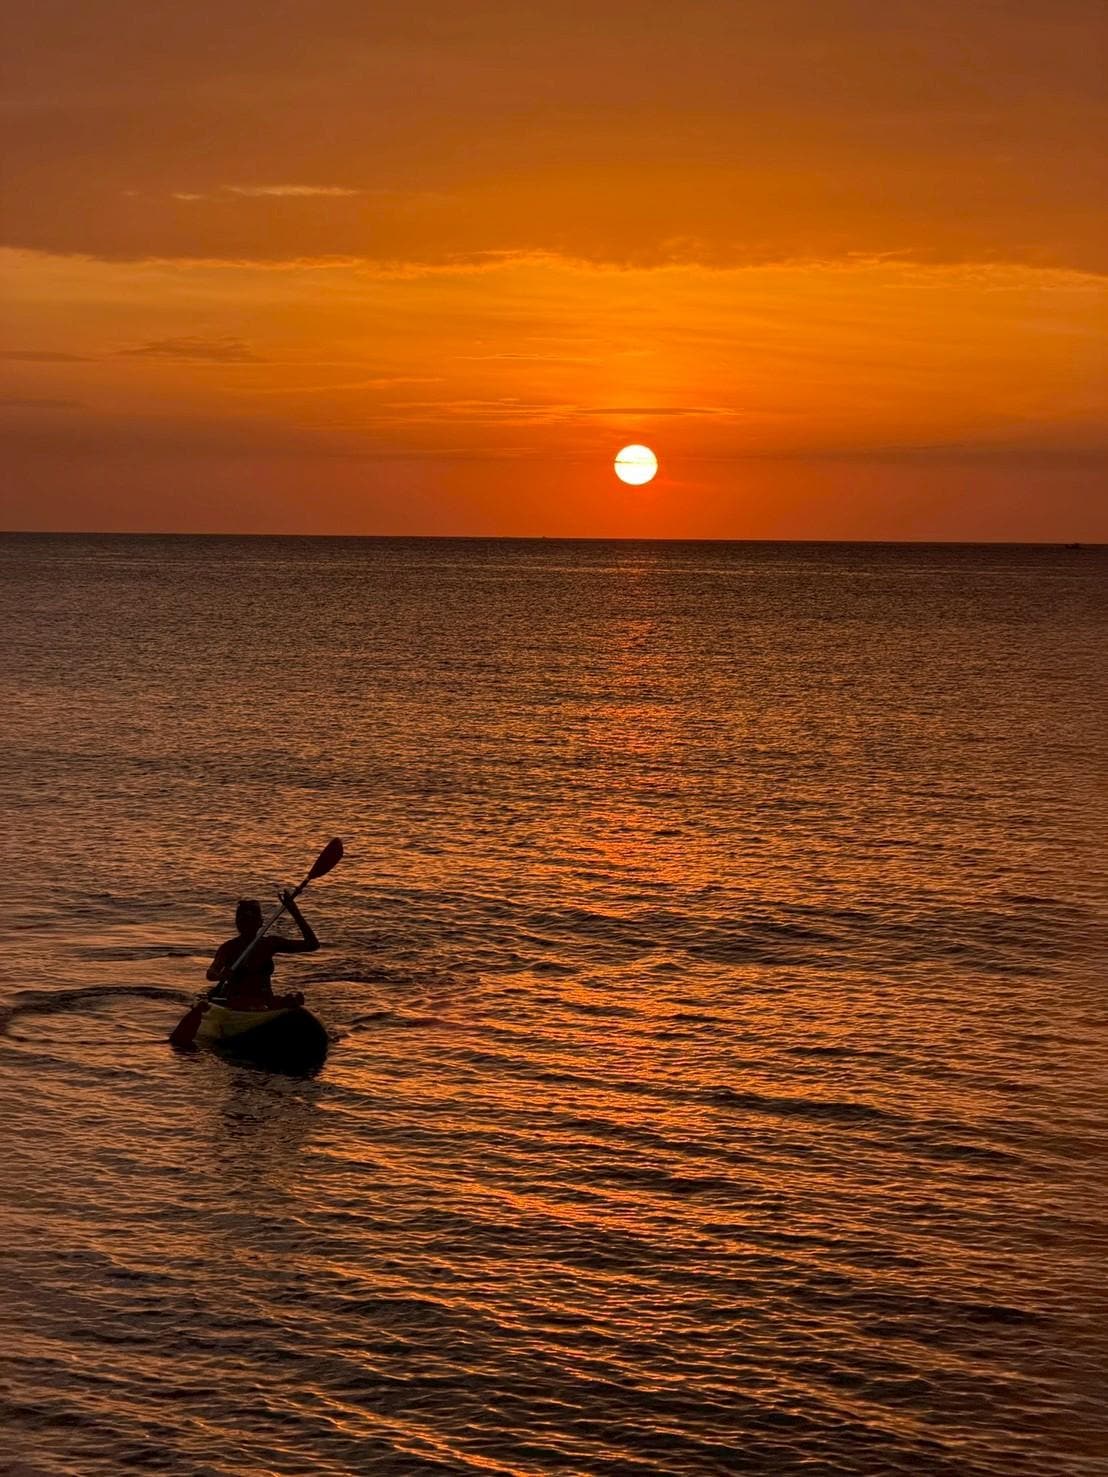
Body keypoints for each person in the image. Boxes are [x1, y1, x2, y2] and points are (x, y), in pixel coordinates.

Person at [206, 891, 319, 1009]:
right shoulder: (229, 948)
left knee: (294, 1000)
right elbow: (211, 973)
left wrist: (294, 912)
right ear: (237, 923)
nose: (246, 925)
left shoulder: (270, 943)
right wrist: (220, 976)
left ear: (260, 923)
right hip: (238, 1003)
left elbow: (312, 945)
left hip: (265, 1001)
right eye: (242, 921)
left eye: (251, 920)